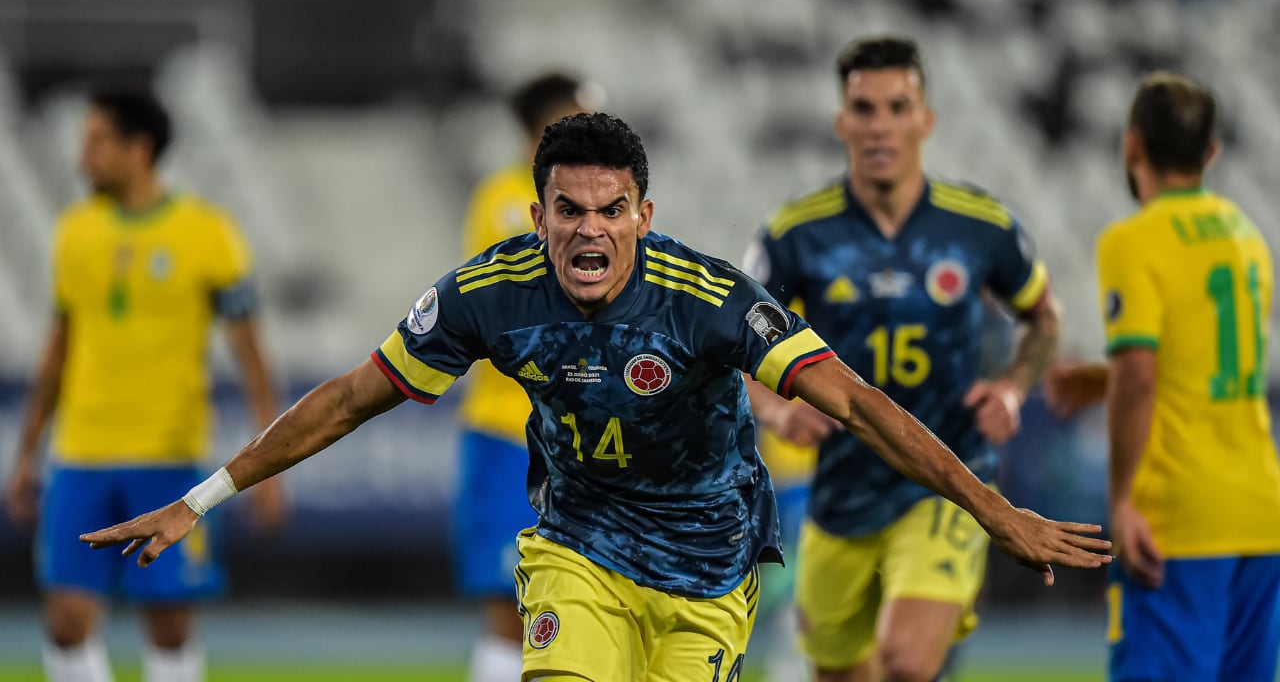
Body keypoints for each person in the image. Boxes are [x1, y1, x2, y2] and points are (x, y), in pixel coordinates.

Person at [81, 112, 1110, 682]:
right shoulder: (486, 294)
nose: (586, 230)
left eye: (609, 211)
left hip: (707, 571)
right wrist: (202, 497)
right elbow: (352, 398)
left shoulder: (708, 301)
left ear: (643, 214)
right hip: (576, 545)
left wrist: (990, 507)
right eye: (565, 210)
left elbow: (858, 405)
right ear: (535, 215)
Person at [743, 36, 1064, 682]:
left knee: (907, 662)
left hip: (947, 482)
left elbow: (1045, 320)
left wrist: (1010, 386)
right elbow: (734, 350)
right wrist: (778, 414)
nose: (880, 125)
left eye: (898, 106)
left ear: (926, 120)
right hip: (841, 492)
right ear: (842, 122)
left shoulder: (981, 227)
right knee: (839, 670)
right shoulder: (794, 236)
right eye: (864, 108)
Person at [5, 86, 285, 682]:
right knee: (65, 622)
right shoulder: (74, 233)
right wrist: (28, 452)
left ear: (139, 148)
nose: (84, 159)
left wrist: (269, 468)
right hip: (80, 453)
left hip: (169, 453)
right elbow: (57, 350)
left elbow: (251, 354)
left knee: (170, 623)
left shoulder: (207, 234)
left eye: (97, 142)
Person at [1044, 72, 1280, 682]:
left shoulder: (1134, 240)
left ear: (1131, 146)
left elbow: (1144, 376)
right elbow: (1202, 366)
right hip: (1258, 511)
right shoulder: (1247, 238)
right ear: (1212, 153)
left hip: (1180, 515)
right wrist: (1103, 379)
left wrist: (1122, 500)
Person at [454, 71, 599, 682]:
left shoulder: (588, 201)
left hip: (579, 436)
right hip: (510, 433)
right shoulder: (505, 202)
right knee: (509, 606)